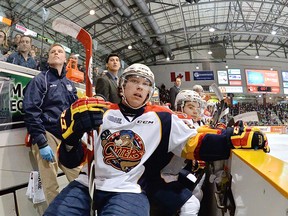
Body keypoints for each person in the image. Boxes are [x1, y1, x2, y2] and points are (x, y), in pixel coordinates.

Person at [44, 63, 269, 216]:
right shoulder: (98, 112)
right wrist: (72, 136)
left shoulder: (163, 118)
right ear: (122, 86)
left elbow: (196, 145)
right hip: (86, 185)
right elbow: (70, 161)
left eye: (145, 83)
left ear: (150, 90)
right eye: (133, 81)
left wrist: (232, 139)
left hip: (129, 190)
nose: (139, 86)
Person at [23, 43, 82, 206]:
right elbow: (30, 110)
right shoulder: (40, 80)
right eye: (52, 51)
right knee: (51, 186)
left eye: (60, 51)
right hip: (47, 134)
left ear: (65, 59)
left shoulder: (70, 84)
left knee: (80, 178)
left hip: (66, 136)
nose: (56, 53)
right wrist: (41, 142)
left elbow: (75, 110)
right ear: (48, 58)